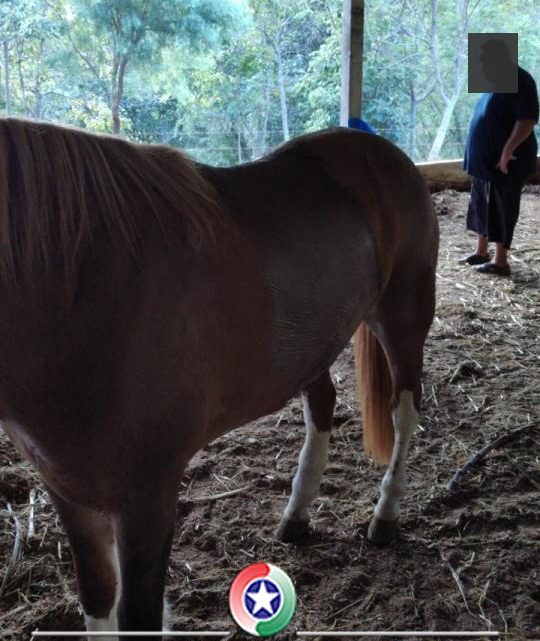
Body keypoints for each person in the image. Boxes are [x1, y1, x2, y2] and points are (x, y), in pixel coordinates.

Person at [461, 39, 539, 276]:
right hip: (484, 163)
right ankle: (481, 251)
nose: (482, 65)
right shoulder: (494, 82)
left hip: (507, 162)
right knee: (481, 205)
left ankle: (500, 261)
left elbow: (527, 119)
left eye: (485, 60)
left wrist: (507, 151)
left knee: (501, 207)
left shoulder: (520, 79)